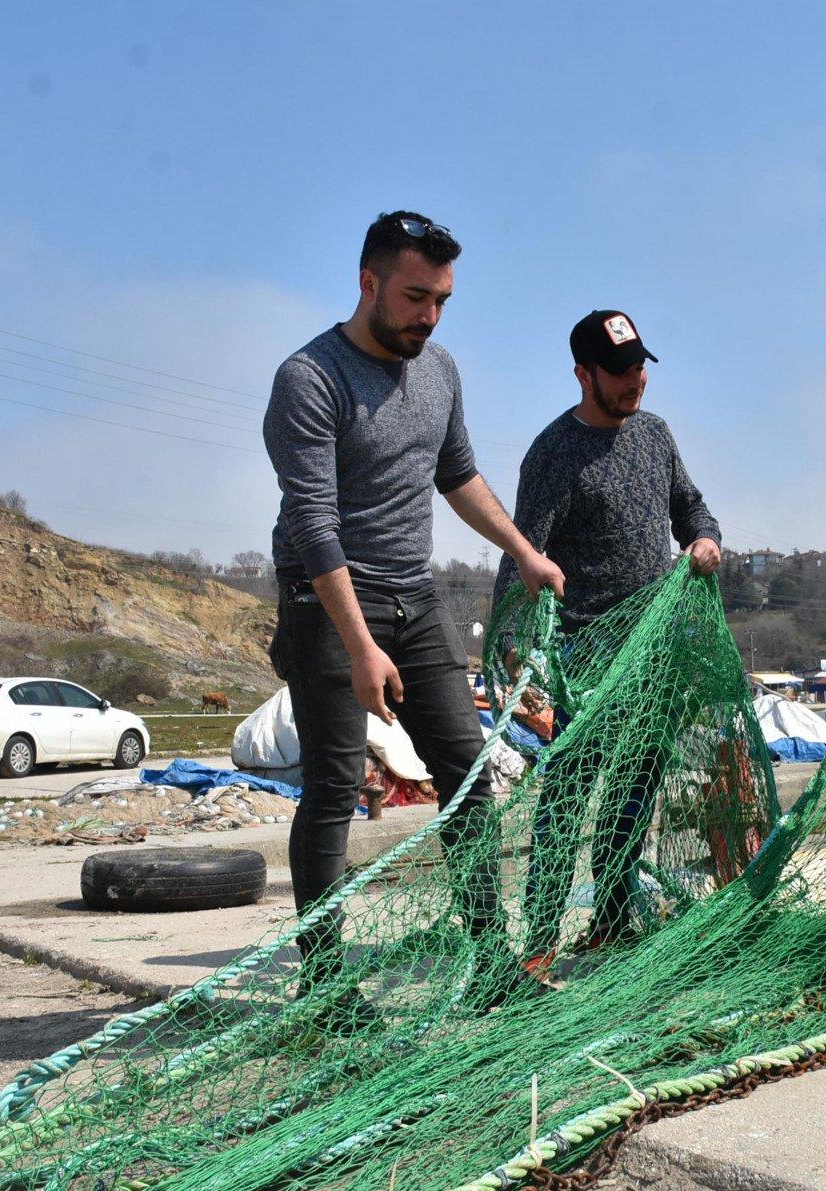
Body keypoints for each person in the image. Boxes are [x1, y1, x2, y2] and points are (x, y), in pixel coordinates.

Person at [263, 210, 565, 1020]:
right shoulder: (310, 379)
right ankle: (327, 987)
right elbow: (313, 526)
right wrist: (360, 646)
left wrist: (523, 550)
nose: (429, 316)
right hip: (327, 600)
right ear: (368, 283)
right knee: (334, 786)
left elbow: (457, 473)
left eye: (442, 301)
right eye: (414, 297)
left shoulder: (440, 370)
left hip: (416, 596)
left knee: (468, 771)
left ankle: (492, 962)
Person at [492, 309, 721, 977]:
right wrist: (512, 648)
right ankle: (540, 940)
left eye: (640, 367)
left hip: (653, 649)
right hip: (584, 656)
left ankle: (612, 921)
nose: (635, 381)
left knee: (635, 793)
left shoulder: (655, 434)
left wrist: (705, 538)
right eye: (620, 371)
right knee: (567, 795)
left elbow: (691, 505)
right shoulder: (554, 453)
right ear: (583, 374)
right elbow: (521, 551)